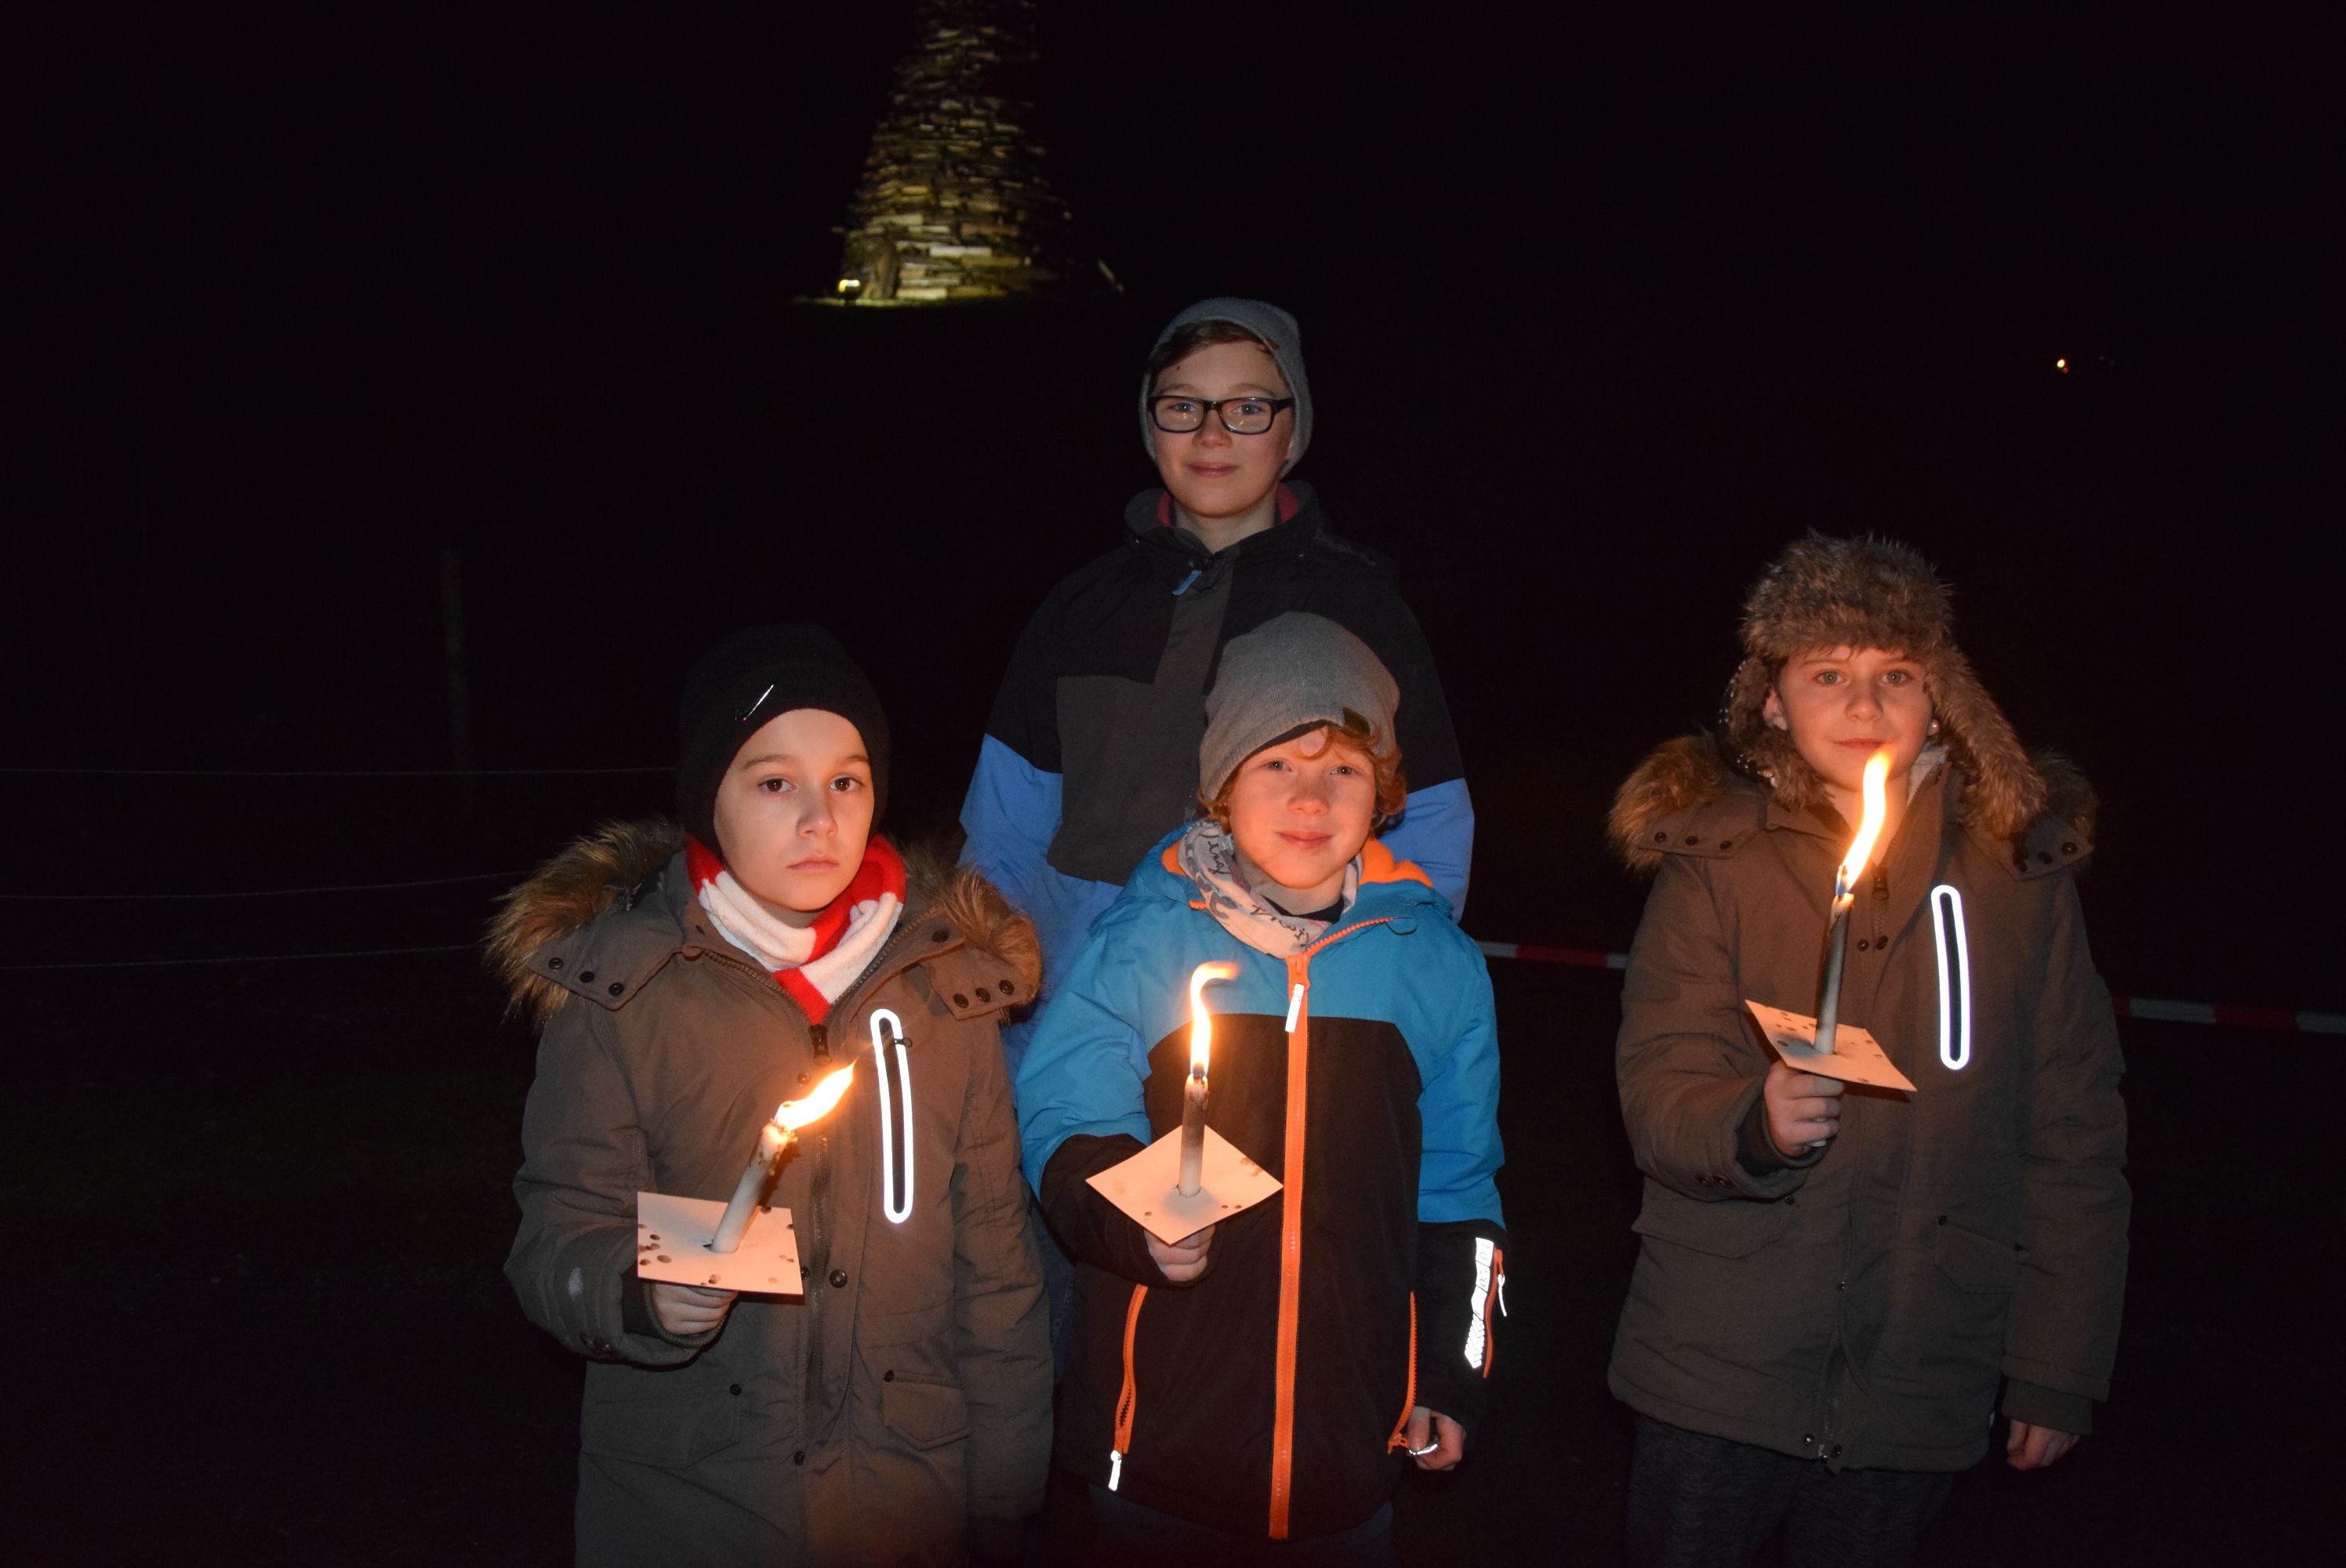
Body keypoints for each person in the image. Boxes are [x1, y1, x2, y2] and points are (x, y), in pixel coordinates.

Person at [1605, 535, 2129, 1567]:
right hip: (1723, 1358)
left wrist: (2057, 1363)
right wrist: (1751, 1123)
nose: (1863, 703)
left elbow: (2074, 1131)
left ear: (1942, 699)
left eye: (1896, 674)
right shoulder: (1714, 855)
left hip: (1920, 1363)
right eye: (1827, 674)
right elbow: (1659, 1076)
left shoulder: (2017, 873)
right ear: (1770, 701)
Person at [496, 626, 1051, 1567]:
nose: (818, 818)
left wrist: (1003, 1502)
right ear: (707, 798)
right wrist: (636, 1289)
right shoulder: (622, 992)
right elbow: (558, 1236)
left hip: (903, 1503)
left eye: (846, 781)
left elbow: (997, 1275)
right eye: (773, 783)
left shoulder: (944, 989)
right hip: (694, 1506)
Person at [1015, 612, 1507, 1563]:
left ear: (1384, 793)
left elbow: (1461, 1192)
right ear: (1221, 782)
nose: (1310, 797)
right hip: (1158, 1439)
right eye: (1276, 760)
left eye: (1344, 768)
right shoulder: (1144, 941)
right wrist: (1136, 1222)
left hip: (1346, 1456)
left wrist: (1452, 1372)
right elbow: (1065, 1122)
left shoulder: (1433, 963)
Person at [961, 297, 1474, 1070]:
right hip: (1077, 1023)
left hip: (1286, 1027)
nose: (1211, 434)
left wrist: (1374, 995)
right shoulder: (1080, 610)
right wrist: (996, 981)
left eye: (1246, 408)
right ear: (1150, 426)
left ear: (1291, 431)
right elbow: (1004, 832)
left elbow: (1428, 837)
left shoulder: (1362, 613)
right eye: (1183, 407)